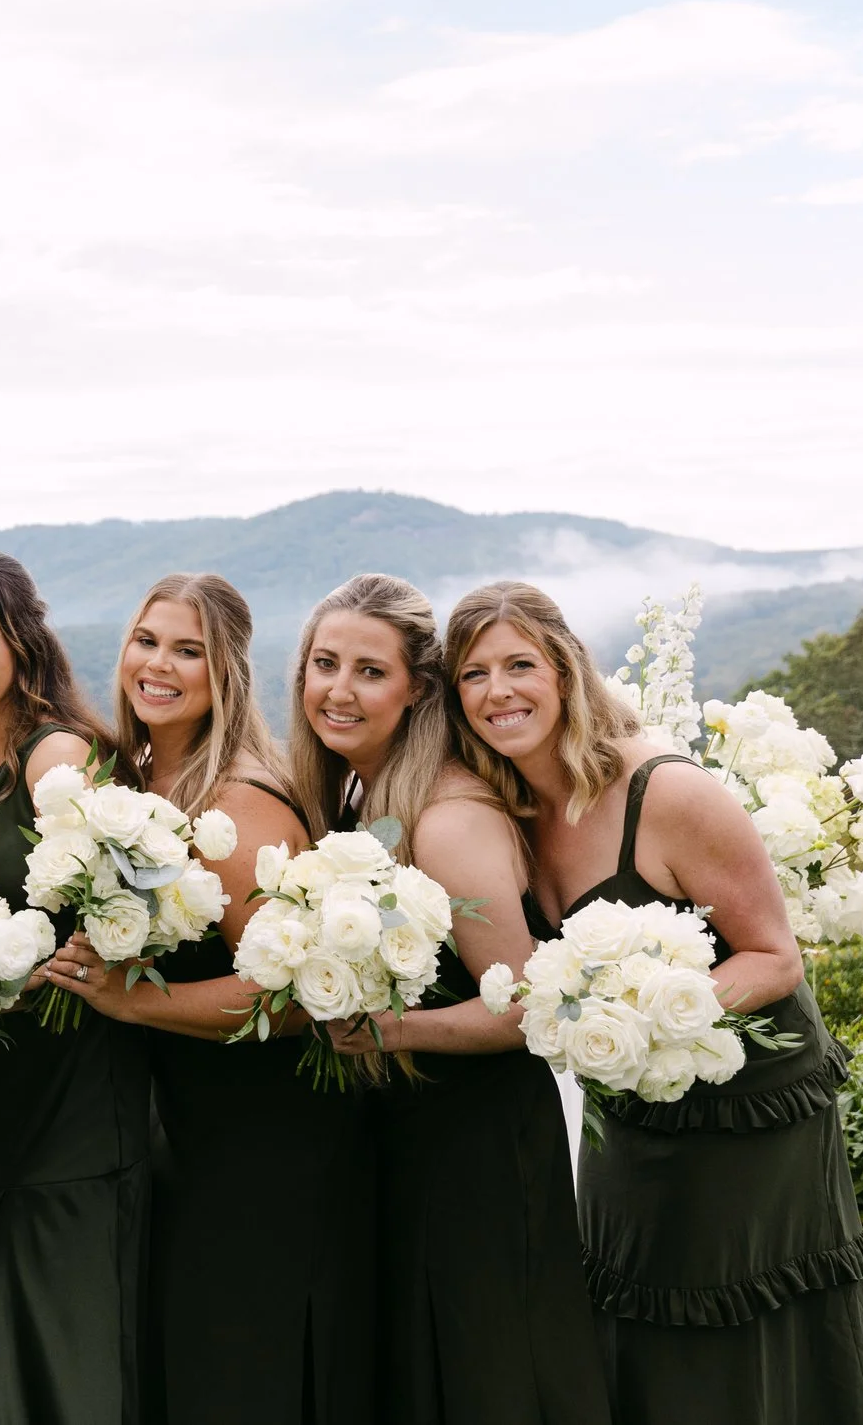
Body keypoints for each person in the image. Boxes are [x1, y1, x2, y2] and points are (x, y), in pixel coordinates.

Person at [447, 581, 863, 1425]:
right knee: (630, 1293)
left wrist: (654, 1012)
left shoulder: (668, 793)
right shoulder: (506, 809)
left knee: (732, 1305)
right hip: (630, 1102)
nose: (498, 690)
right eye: (474, 674)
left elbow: (775, 955)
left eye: (519, 665)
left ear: (565, 670)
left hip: (754, 1098)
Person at [46, 573, 373, 1425]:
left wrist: (135, 1004)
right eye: (146, 641)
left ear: (226, 670)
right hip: (186, 1124)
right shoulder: (149, 778)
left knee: (241, 1365)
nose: (158, 664)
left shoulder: (237, 803)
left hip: (261, 1136)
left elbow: (293, 995)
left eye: (187, 650)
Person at [297, 575, 607, 1425]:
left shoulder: (446, 815)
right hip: (407, 1132)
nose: (338, 689)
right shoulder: (362, 797)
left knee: (490, 1368)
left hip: (477, 1139)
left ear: (417, 689)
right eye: (325, 663)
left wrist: (384, 1028)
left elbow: (523, 1005)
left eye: (369, 670)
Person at [0, 547, 146, 1425]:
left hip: (70, 1088)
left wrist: (56, 969)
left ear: (23, 640)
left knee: (49, 1334)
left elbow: (126, 921)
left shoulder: (56, 757)